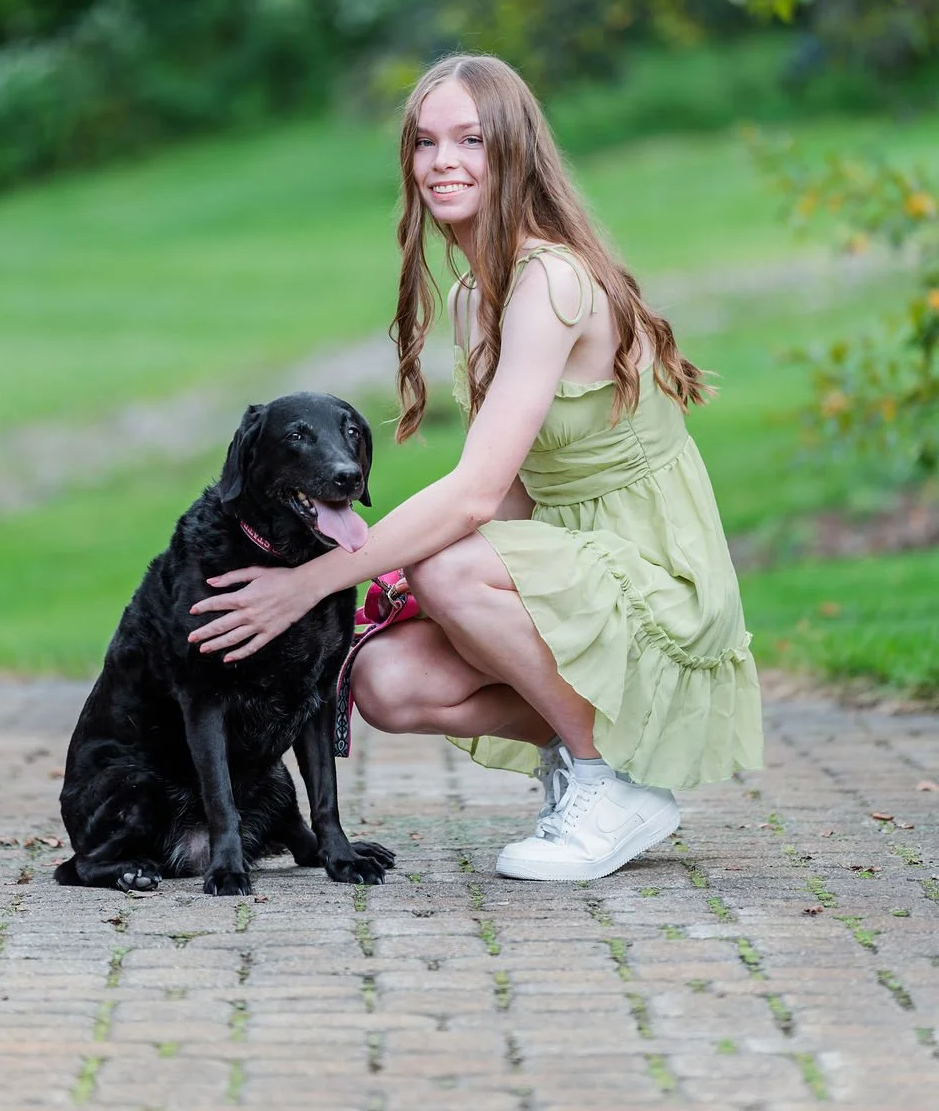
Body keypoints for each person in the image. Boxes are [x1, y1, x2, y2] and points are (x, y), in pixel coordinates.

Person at [188, 53, 763, 881]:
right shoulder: (473, 299)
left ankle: (608, 779)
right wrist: (399, 583)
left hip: (657, 575)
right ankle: (588, 754)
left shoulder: (551, 281)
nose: (442, 162)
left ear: (514, 153)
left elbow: (475, 496)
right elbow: (520, 491)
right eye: (425, 142)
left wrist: (308, 584)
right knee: (386, 680)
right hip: (575, 559)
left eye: (470, 140)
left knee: (448, 567)